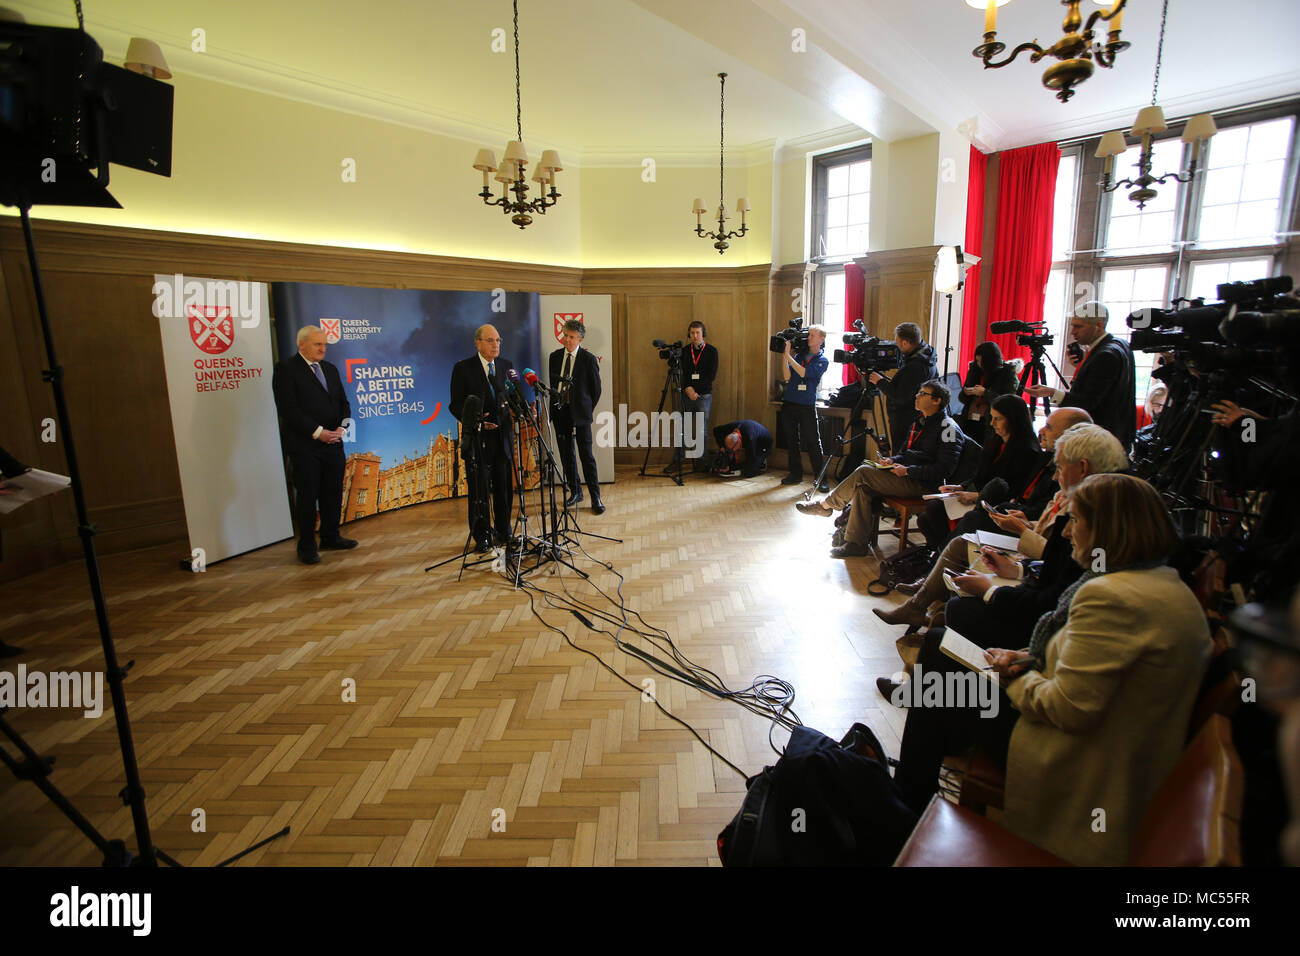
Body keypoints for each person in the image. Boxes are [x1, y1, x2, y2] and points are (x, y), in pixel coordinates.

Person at [894, 473, 1210, 867]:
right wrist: (1024, 657)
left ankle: (905, 806)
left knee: (940, 662)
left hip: (1077, 756)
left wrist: (1015, 673)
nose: (1068, 532)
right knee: (942, 657)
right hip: (1099, 736)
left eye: (1077, 521)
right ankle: (910, 794)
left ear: (1107, 529)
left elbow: (1066, 707)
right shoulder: (1153, 582)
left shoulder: (1115, 597)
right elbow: (1086, 660)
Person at [872, 422, 1126, 638]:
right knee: (951, 528)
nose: (1056, 475)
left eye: (1060, 469)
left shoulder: (1095, 518)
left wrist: (996, 586)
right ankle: (923, 605)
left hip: (1036, 586)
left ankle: (927, 616)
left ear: (1082, 468)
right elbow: (1061, 565)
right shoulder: (1081, 498)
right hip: (1032, 565)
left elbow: (1060, 586)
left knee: (959, 601)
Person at [796, 379, 964, 558]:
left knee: (863, 473)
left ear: (937, 401)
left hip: (924, 485)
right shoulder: (920, 422)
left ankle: (826, 505)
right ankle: (855, 544)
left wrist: (908, 470)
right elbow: (905, 454)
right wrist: (891, 460)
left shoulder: (948, 428)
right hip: (907, 476)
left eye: (923, 394)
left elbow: (945, 469)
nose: (917, 396)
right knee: (863, 488)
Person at [272, 325, 357, 565]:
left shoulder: (329, 369)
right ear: (301, 345)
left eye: (325, 345)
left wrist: (343, 428)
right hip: (305, 446)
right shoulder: (286, 369)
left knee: (332, 493)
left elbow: (344, 403)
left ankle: (330, 536)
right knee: (308, 496)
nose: (323, 349)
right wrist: (319, 433)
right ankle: (306, 545)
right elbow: (288, 409)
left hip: (334, 443)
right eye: (317, 344)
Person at [916, 394, 1041, 550]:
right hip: (981, 496)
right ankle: (944, 555)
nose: (992, 423)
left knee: (933, 511)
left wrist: (976, 496)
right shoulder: (995, 442)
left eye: (998, 419)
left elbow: (1013, 490)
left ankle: (945, 554)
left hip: (996, 505)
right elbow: (979, 476)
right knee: (927, 515)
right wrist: (960, 487)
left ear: (1014, 419)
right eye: (992, 417)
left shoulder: (1028, 451)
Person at [1027, 300, 1136, 451]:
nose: (1072, 332)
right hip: (1117, 434)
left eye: (1078, 326)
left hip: (1100, 439)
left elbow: (1087, 403)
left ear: (1099, 325)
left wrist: (1051, 392)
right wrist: (1084, 365)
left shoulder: (1105, 355)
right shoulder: (1120, 344)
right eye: (1073, 325)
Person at [450, 324, 515, 551]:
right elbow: (455, 404)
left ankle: (504, 530)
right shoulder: (463, 368)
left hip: (502, 438)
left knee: (503, 487)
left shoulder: (507, 366)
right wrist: (476, 422)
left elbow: (514, 396)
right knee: (479, 491)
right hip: (479, 440)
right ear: (477, 343)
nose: (495, 344)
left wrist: (525, 408)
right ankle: (482, 536)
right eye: (490, 340)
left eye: (498, 340)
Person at [548, 318, 604, 514]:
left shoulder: (589, 360)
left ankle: (595, 496)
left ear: (580, 339)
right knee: (566, 455)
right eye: (565, 336)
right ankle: (576, 491)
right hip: (560, 412)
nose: (567, 340)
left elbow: (596, 390)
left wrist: (585, 408)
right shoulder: (554, 357)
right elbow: (553, 387)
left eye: (571, 337)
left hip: (580, 414)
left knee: (586, 455)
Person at [868, 322, 937, 455]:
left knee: (901, 454)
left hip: (905, 419)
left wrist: (880, 381)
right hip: (915, 416)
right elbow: (907, 386)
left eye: (898, 342)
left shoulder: (915, 365)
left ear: (906, 343)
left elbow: (901, 396)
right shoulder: (927, 357)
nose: (896, 345)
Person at [778, 325, 828, 489]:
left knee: (813, 442)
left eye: (813, 335)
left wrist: (788, 356)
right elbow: (787, 376)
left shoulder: (822, 360)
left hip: (806, 406)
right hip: (790, 403)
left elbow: (804, 373)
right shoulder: (799, 355)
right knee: (792, 441)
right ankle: (795, 474)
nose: (809, 338)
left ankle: (821, 479)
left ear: (821, 339)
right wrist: (784, 357)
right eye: (809, 335)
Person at [667, 320, 718, 473]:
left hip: (704, 395)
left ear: (703, 334)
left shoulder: (711, 351)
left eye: (698, 333)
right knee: (681, 428)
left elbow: (711, 375)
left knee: (702, 429)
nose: (695, 336)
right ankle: (678, 461)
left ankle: (701, 461)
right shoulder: (684, 351)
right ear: (689, 334)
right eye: (692, 333)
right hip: (686, 394)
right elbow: (681, 372)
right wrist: (688, 388)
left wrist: (696, 391)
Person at [956, 341, 1019, 444]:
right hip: (969, 419)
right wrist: (966, 393)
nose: (979, 364)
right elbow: (961, 398)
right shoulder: (975, 370)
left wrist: (985, 393)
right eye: (977, 361)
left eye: (982, 362)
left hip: (990, 423)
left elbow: (1009, 402)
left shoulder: (1007, 374)